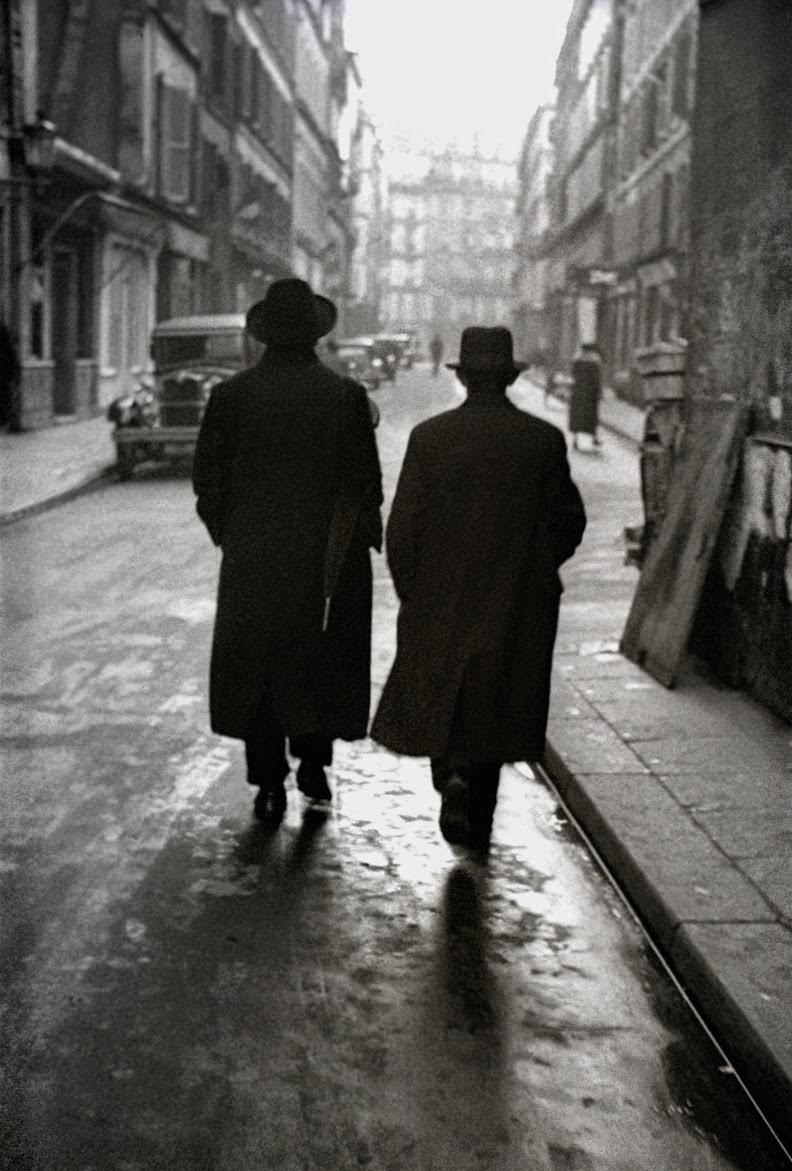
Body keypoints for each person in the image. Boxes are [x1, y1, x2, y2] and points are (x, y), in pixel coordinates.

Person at [371, 326, 586, 851]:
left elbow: (403, 526)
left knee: (446, 686)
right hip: (515, 593)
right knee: (497, 695)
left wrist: (412, 589)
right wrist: (534, 567)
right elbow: (568, 521)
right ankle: (478, 807)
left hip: (441, 592)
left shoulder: (431, 437)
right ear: (508, 379)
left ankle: (450, 774)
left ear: (463, 376)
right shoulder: (542, 440)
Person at [193, 278, 383, 824]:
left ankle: (268, 778)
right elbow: (366, 485)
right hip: (327, 557)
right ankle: (314, 764)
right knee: (319, 658)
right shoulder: (345, 398)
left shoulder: (231, 397)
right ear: (317, 337)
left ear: (264, 337)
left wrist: (232, 532)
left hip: (254, 554)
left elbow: (207, 479)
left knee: (257, 662)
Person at [569, 341, 602, 450]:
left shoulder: (577, 360)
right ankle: (594, 438)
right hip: (590, 393)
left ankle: (575, 439)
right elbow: (597, 379)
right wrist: (599, 392)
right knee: (591, 416)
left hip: (578, 392)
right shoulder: (594, 362)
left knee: (577, 416)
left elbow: (573, 374)